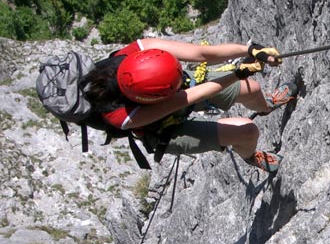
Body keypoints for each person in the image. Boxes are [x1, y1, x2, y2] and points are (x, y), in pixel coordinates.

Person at [81, 38, 298, 172]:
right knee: (247, 131)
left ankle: (266, 106)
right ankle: (251, 156)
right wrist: (237, 73)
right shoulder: (122, 116)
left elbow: (201, 54)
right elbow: (190, 97)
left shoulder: (139, 51)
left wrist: (250, 50)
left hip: (177, 87)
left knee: (251, 89)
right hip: (164, 129)